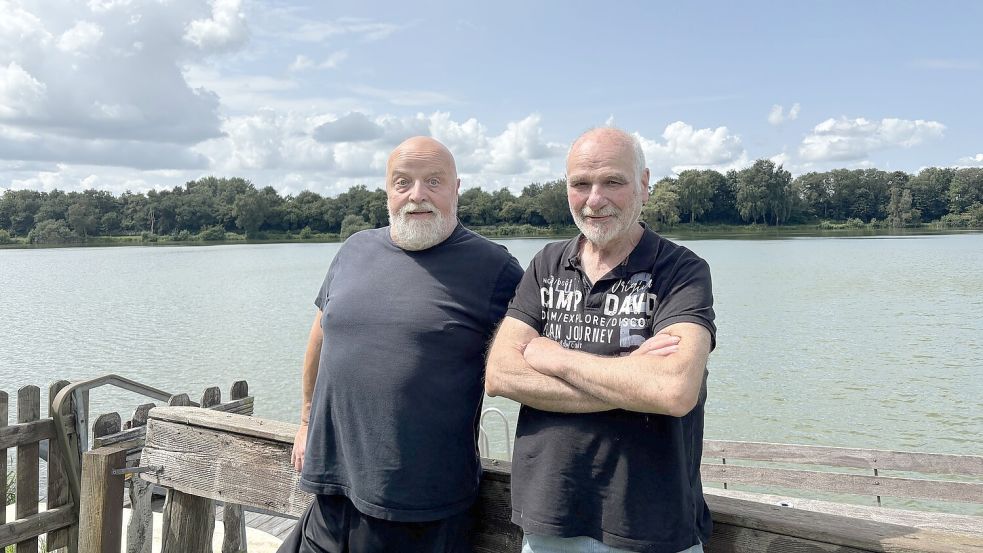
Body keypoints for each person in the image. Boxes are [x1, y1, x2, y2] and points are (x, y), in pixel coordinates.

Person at [279, 136, 523, 553]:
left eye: (433, 182)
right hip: (331, 490)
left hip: (420, 509)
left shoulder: (494, 268)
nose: (417, 195)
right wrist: (305, 421)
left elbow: (533, 355)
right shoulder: (355, 249)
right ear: (387, 190)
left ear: (456, 188)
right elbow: (322, 332)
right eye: (402, 182)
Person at [485, 127, 716, 553]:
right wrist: (631, 378)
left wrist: (553, 357)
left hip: (652, 525)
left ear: (644, 185)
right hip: (549, 520)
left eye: (613, 181)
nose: (594, 199)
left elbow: (672, 390)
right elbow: (501, 374)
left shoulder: (682, 271)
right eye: (581, 184)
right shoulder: (546, 264)